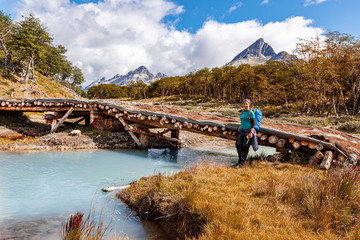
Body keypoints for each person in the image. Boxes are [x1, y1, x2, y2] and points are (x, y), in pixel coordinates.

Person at [234, 99, 255, 168]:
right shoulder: (242, 112)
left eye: (247, 104)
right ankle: (240, 160)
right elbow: (243, 120)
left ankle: (242, 163)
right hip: (242, 131)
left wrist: (251, 133)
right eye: (244, 104)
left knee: (245, 146)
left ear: (249, 104)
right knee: (238, 145)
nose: (245, 105)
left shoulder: (251, 113)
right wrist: (240, 126)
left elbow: (253, 124)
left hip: (248, 131)